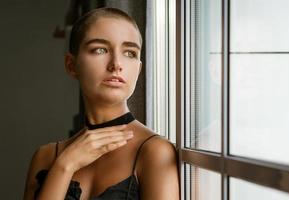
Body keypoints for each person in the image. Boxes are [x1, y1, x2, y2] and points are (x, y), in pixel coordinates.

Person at [23, 7, 179, 200]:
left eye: (129, 53)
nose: (116, 64)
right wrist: (66, 165)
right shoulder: (46, 157)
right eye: (100, 49)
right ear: (71, 66)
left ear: (138, 70)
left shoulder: (154, 152)